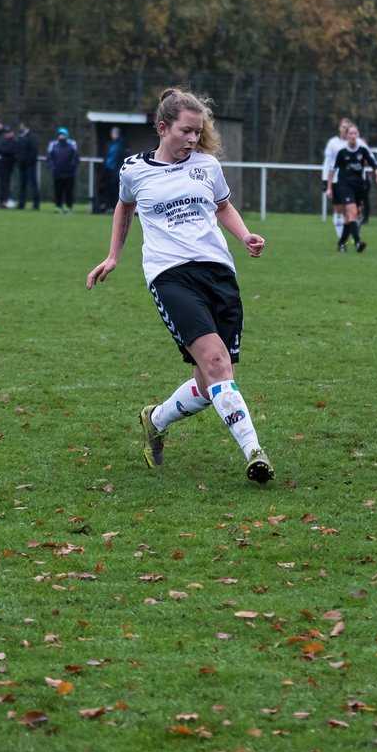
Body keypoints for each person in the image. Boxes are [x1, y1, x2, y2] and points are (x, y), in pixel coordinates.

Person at [85, 87, 273, 484]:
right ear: (163, 127)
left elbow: (222, 206)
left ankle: (154, 419)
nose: (192, 139)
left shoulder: (207, 165)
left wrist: (244, 236)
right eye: (186, 131)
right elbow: (125, 206)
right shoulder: (135, 169)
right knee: (218, 364)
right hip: (170, 275)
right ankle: (255, 452)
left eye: (197, 132)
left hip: (219, 274)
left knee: (211, 385)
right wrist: (113, 255)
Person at [328, 124, 377, 252]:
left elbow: (375, 165)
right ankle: (358, 243)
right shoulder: (341, 152)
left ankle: (341, 243)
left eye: (355, 133)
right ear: (347, 136)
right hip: (344, 185)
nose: (353, 136)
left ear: (358, 135)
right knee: (352, 212)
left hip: (359, 186)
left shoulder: (362, 150)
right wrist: (329, 187)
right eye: (350, 133)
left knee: (352, 216)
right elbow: (332, 170)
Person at [321, 119, 354, 239]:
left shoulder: (355, 143)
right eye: (343, 127)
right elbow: (327, 162)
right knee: (339, 209)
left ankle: (352, 234)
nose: (345, 129)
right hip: (335, 181)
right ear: (339, 128)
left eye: (347, 127)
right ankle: (342, 239)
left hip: (351, 182)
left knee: (353, 210)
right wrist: (325, 180)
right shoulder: (333, 143)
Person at [97, 126, 129, 214]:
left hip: (116, 170)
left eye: (115, 133)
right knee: (107, 189)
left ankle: (116, 207)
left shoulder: (122, 144)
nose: (113, 135)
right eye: (112, 133)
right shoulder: (109, 144)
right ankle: (108, 207)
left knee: (116, 190)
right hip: (108, 170)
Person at [47, 126, 80, 213]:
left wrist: (72, 166)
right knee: (58, 190)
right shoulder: (53, 144)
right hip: (57, 173)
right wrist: (53, 167)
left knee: (69, 190)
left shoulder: (72, 144)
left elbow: (76, 157)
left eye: (63, 134)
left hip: (69, 173)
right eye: (60, 134)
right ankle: (58, 206)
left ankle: (69, 207)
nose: (61, 136)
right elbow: (49, 157)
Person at [14, 122, 40, 209]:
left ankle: (36, 204)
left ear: (26, 127)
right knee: (22, 185)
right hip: (22, 165)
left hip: (30, 165)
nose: (20, 128)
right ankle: (21, 204)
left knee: (33, 185)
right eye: (20, 126)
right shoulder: (19, 137)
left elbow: (34, 151)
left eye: (22, 126)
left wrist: (28, 161)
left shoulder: (31, 137)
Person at [0, 125, 16, 208]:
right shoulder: (3, 141)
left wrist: (3, 150)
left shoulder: (13, 142)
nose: (6, 134)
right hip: (1, 165)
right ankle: (0, 201)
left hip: (8, 166)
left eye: (8, 132)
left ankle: (5, 201)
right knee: (1, 184)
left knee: (6, 184)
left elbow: (8, 151)